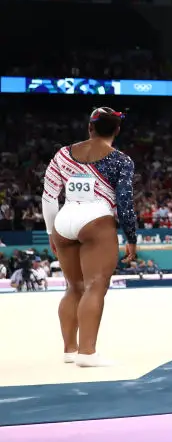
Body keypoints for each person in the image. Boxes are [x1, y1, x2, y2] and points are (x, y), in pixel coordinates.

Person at [41, 107, 138, 367]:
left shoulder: (62, 154)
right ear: (117, 130)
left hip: (64, 218)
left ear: (89, 128)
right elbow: (125, 203)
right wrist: (131, 237)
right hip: (96, 219)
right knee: (95, 286)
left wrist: (51, 231)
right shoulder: (121, 160)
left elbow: (49, 197)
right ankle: (87, 353)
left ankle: (69, 349)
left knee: (74, 287)